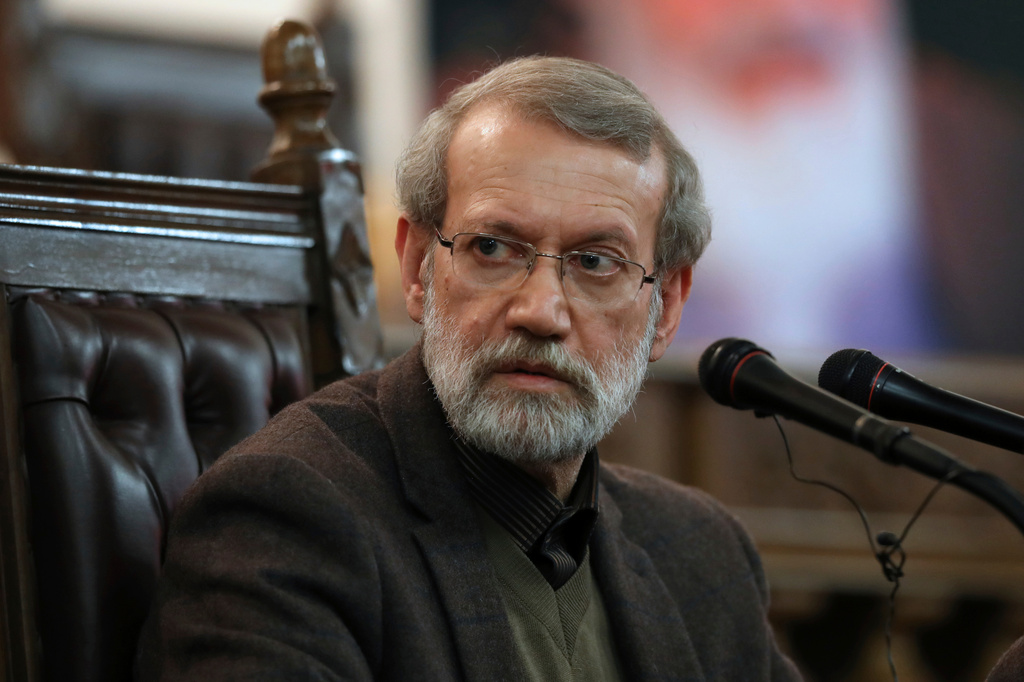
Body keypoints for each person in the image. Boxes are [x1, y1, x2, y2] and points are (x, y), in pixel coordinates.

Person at [135, 56, 802, 681]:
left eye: (596, 262)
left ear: (666, 307)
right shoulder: (288, 516)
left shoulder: (701, 553)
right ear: (418, 267)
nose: (540, 312)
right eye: (492, 248)